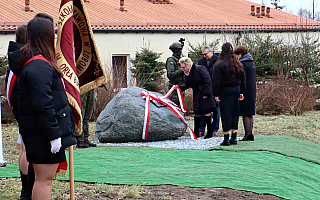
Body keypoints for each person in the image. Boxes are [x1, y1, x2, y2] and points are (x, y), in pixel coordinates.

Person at [8, 16, 76, 200]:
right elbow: (43, 104)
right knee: (44, 180)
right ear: (43, 36)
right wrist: (54, 135)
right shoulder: (39, 65)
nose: (55, 37)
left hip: (38, 132)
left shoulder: (35, 63)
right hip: (43, 134)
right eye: (52, 33)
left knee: (41, 179)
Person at [6, 24, 34, 200]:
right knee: (27, 149)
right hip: (27, 108)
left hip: (19, 107)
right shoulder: (24, 58)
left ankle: (26, 188)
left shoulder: (14, 55)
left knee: (24, 148)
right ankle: (27, 189)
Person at [212, 42, 246, 146]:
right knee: (235, 112)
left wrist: (216, 94)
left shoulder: (219, 64)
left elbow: (216, 81)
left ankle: (226, 138)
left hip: (225, 91)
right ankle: (234, 137)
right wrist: (242, 92)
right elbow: (243, 79)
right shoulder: (238, 63)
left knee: (226, 113)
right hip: (236, 90)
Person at [178, 57, 216, 139]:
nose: (183, 69)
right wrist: (180, 88)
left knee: (207, 112)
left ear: (188, 65)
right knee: (197, 112)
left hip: (204, 93)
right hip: (197, 94)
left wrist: (207, 93)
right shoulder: (188, 73)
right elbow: (187, 84)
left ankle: (209, 131)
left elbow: (207, 80)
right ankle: (196, 132)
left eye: (183, 67)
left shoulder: (200, 68)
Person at [234, 45, 256, 141]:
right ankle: (250, 133)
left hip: (245, 90)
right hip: (252, 89)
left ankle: (247, 135)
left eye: (237, 55)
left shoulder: (242, 63)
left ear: (241, 54)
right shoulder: (252, 62)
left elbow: (242, 78)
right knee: (250, 113)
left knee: (245, 113)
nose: (237, 57)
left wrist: (240, 91)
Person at [197, 45, 219, 137]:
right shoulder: (201, 62)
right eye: (203, 54)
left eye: (205, 54)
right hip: (204, 88)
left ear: (211, 52)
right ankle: (201, 129)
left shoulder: (217, 61)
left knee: (216, 110)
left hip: (215, 87)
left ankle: (214, 129)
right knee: (203, 109)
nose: (204, 56)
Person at [166, 41, 185, 106]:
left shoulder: (180, 60)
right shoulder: (171, 60)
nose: (181, 51)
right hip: (174, 90)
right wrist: (182, 69)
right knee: (174, 107)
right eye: (179, 49)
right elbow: (170, 75)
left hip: (181, 87)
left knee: (181, 107)